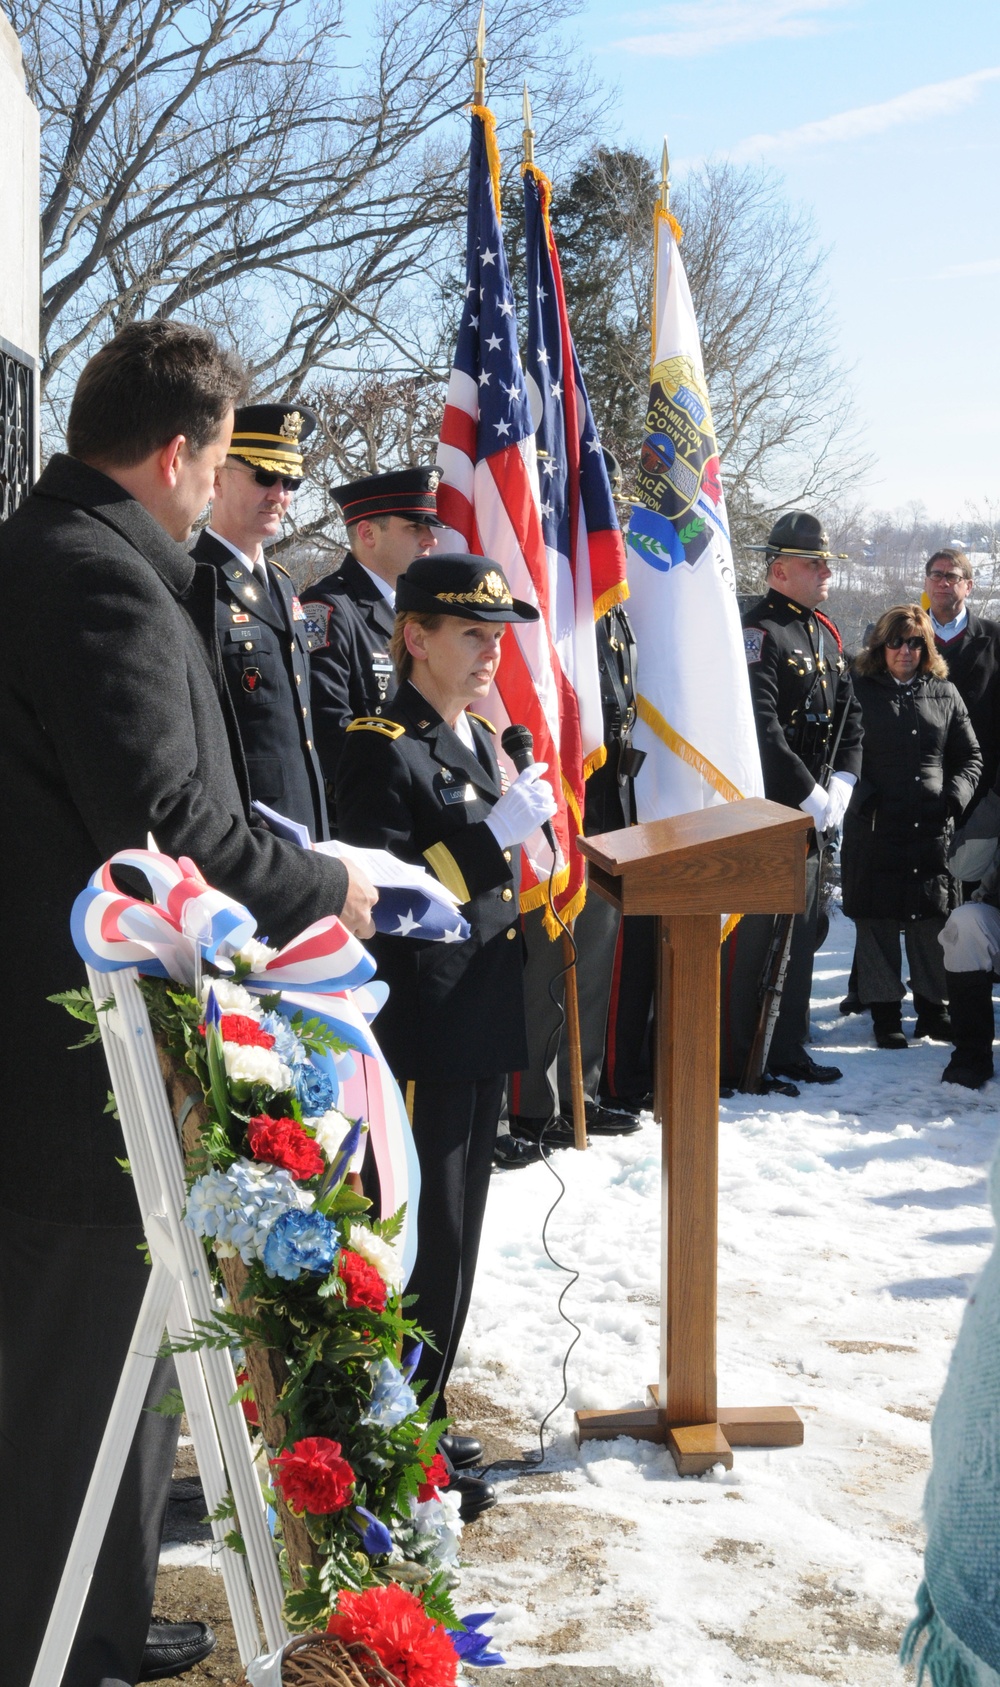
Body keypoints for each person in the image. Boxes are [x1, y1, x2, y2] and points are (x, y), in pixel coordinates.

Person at [0, 320, 376, 1687]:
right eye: (221, 461)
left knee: (114, 1376)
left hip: (78, 1062)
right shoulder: (98, 576)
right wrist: (333, 878)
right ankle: (56, 1646)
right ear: (177, 453)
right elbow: (163, 827)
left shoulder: (61, 550)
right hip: (72, 1079)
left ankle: (93, 1623)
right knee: (71, 1386)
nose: (222, 487)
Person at [335, 553, 556, 1516]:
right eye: (472, 634)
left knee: (460, 1236)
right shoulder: (379, 743)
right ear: (414, 635)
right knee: (422, 1230)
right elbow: (385, 891)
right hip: (424, 1024)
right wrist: (489, 833)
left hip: (479, 1014)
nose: (489, 652)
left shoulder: (474, 739)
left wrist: (518, 822)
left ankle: (418, 1411)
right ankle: (392, 1433)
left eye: (496, 636)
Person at [720, 510, 864, 1089]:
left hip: (813, 814)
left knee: (802, 932)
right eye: (814, 563)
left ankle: (785, 1046)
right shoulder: (759, 630)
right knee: (757, 938)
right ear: (779, 570)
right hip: (769, 808)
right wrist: (804, 789)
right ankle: (738, 1057)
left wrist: (844, 781)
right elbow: (760, 726)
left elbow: (851, 717)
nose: (826, 571)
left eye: (827, 562)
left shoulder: (823, 632)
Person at [505, 595, 643, 1153]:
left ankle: (575, 1094)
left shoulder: (609, 607)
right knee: (544, 966)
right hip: (556, 807)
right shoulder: (559, 591)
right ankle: (535, 1106)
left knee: (590, 962)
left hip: (605, 804)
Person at [842, 606, 981, 1049]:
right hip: (875, 826)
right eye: (897, 641)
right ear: (880, 645)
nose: (906, 650)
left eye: (916, 642)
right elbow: (837, 750)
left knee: (929, 919)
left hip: (930, 827)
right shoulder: (856, 690)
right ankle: (885, 1015)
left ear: (927, 648)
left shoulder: (945, 692)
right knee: (877, 918)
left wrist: (953, 798)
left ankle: (932, 1011)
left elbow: (971, 757)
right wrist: (864, 800)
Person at [193, 401, 328, 840]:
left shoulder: (285, 587)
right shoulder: (194, 583)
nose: (279, 494)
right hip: (244, 836)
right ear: (216, 478)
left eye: (290, 481)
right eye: (264, 476)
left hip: (305, 824)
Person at [302, 467, 443, 819]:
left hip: (422, 801)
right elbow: (329, 728)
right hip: (369, 813)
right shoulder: (328, 609)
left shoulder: (417, 612)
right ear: (367, 533)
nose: (430, 539)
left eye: (429, 527)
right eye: (414, 527)